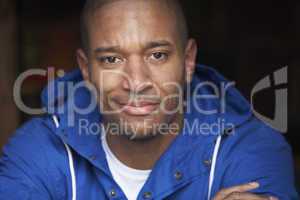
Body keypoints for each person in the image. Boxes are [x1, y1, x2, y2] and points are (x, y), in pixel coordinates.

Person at [0, 0, 298, 199]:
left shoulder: (252, 149)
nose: (137, 82)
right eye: (112, 59)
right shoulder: (35, 152)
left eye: (157, 55)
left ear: (189, 60)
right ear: (86, 69)